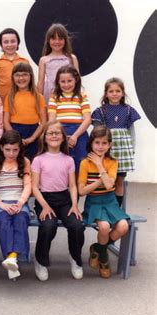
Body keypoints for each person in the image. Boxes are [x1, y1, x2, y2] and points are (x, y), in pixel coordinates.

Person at [31, 120, 84, 281]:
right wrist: (45, 206)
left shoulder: (68, 160)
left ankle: (75, 258)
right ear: (44, 137)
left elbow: (73, 186)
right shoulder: (38, 160)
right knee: (48, 225)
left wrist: (74, 205)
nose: (54, 135)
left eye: (57, 133)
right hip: (45, 199)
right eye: (50, 133)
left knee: (76, 225)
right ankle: (40, 260)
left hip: (64, 200)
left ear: (63, 137)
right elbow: (34, 187)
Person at [78, 126, 130, 278]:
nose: (100, 147)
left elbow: (109, 185)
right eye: (97, 143)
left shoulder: (112, 162)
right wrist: (100, 180)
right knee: (105, 226)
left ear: (109, 145)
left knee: (123, 226)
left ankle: (97, 248)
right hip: (94, 203)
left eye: (104, 143)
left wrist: (100, 166)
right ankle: (104, 259)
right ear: (91, 144)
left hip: (110, 202)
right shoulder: (85, 164)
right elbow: (82, 191)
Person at [0, 130, 31, 281]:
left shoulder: (25, 162)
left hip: (19, 202)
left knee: (20, 220)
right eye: (8, 149)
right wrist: (0, 203)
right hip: (1, 203)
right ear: (1, 148)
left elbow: (28, 185)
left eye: (15, 150)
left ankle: (12, 257)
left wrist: (21, 202)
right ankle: (12, 257)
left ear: (20, 149)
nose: (11, 153)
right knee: (3, 221)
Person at [91, 77, 141, 207]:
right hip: (106, 149)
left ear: (123, 93)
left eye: (117, 91)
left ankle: (116, 207)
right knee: (106, 179)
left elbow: (131, 131)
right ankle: (104, 205)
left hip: (123, 150)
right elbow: (96, 132)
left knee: (119, 180)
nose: (114, 93)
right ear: (106, 93)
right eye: (111, 91)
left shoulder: (128, 110)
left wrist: (132, 149)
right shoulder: (101, 111)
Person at [48, 65, 91, 172]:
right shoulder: (54, 97)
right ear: (58, 82)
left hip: (79, 134)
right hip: (60, 132)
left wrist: (75, 136)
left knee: (80, 164)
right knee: (61, 165)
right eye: (63, 81)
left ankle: (78, 188)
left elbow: (87, 120)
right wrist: (62, 136)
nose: (66, 84)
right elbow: (52, 120)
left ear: (76, 80)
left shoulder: (82, 96)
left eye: (69, 81)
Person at [3, 62, 47, 161]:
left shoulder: (39, 97)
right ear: (13, 77)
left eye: (24, 75)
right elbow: (5, 121)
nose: (21, 78)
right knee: (14, 161)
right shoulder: (10, 97)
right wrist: (14, 137)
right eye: (17, 75)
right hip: (14, 131)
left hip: (33, 132)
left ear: (30, 76)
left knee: (31, 162)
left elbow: (43, 121)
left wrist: (32, 138)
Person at [37, 23, 79, 104]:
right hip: (50, 96)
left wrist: (78, 96)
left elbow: (77, 80)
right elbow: (40, 82)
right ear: (48, 40)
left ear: (65, 40)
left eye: (60, 39)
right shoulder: (44, 60)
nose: (57, 42)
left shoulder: (72, 58)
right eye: (53, 39)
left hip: (69, 94)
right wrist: (39, 102)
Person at [0, 28, 29, 104]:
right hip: (2, 102)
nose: (10, 45)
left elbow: (30, 82)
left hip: (21, 101)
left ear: (18, 43)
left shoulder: (25, 62)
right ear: (0, 44)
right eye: (6, 42)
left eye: (13, 41)